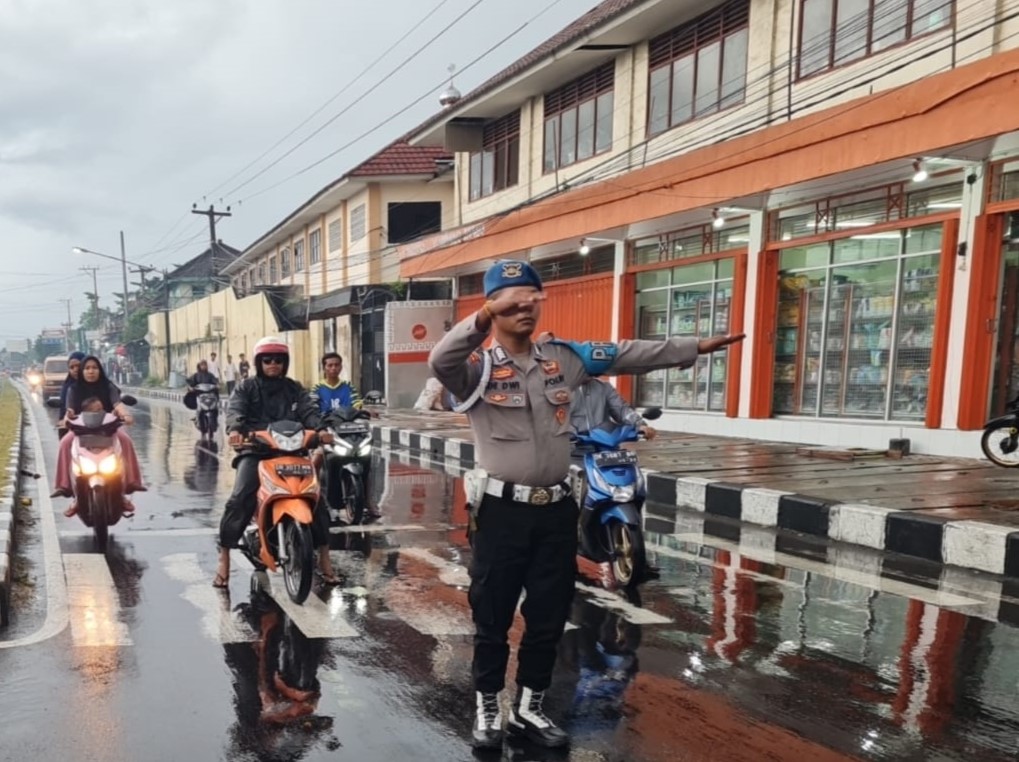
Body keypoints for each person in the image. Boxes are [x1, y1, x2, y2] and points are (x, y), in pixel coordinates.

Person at [429, 260, 743, 750]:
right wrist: (483, 317)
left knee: (549, 615)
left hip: (556, 510)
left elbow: (625, 354)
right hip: (502, 513)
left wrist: (693, 348)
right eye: (512, 303)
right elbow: (440, 362)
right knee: (491, 617)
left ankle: (530, 708)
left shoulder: (563, 359)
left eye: (532, 300)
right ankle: (488, 705)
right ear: (494, 307)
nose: (524, 310)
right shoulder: (478, 370)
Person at [215, 337, 337, 589]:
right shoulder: (246, 388)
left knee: (316, 500)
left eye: (279, 360)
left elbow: (309, 412)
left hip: (291, 451)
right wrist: (236, 429)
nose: (273, 364)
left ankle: (325, 558)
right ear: (259, 362)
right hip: (256, 451)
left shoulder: (294, 389)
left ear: (285, 363)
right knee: (240, 498)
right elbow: (235, 410)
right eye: (267, 360)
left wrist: (321, 429)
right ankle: (224, 558)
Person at [52, 355, 146, 518]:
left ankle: (132, 482)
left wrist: (126, 415)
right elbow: (70, 410)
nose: (91, 371)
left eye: (94, 368)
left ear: (100, 370)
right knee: (65, 443)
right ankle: (64, 485)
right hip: (81, 429)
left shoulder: (108, 386)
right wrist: (67, 420)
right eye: (87, 368)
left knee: (126, 440)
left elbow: (118, 404)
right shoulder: (74, 389)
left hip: (108, 428)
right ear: (82, 371)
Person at [570, 378, 657, 440]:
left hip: (604, 446)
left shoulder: (604, 387)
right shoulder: (560, 390)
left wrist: (639, 424)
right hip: (571, 449)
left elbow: (621, 409)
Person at [57, 351, 85, 422]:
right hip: (74, 425)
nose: (75, 370)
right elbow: (63, 409)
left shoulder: (100, 384)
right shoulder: (68, 387)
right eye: (72, 367)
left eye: (78, 366)